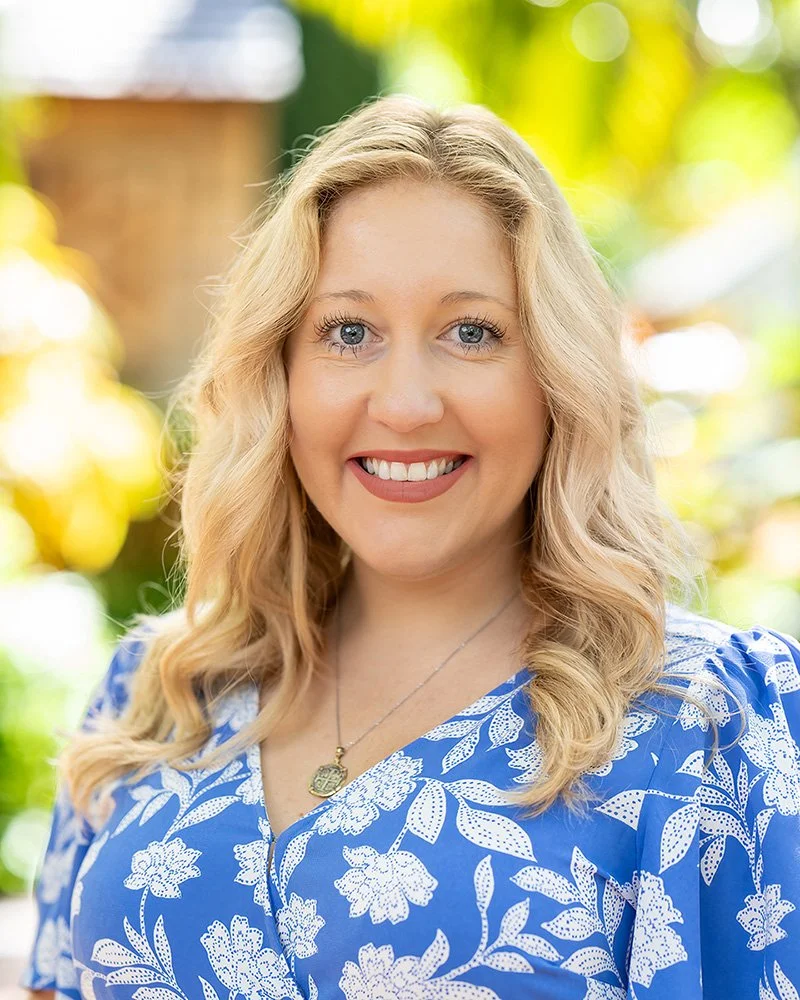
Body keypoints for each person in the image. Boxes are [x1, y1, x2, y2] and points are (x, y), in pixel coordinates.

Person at [21, 93, 800, 1000]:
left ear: (557, 374)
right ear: (280, 374)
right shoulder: (163, 692)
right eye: (348, 333)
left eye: (472, 332)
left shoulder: (705, 722)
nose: (403, 403)